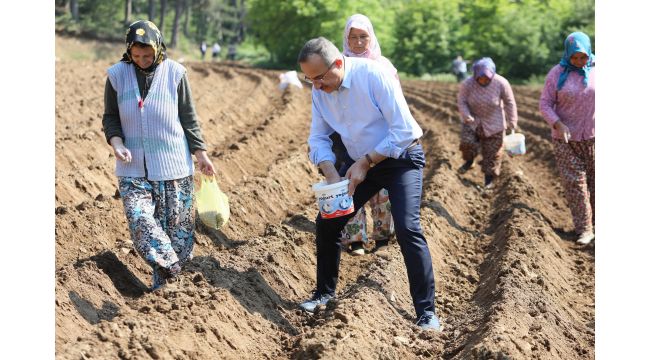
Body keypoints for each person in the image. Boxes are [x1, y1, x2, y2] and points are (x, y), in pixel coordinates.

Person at [298, 37, 441, 331]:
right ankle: (324, 294)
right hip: (360, 161)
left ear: (338, 64)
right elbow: (318, 137)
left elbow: (404, 130)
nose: (316, 86)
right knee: (329, 221)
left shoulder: (373, 75)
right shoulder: (320, 90)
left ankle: (426, 312)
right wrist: (331, 173)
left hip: (401, 157)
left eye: (320, 78)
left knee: (407, 227)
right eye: (309, 79)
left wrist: (365, 162)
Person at [102, 20, 216, 290]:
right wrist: (116, 143)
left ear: (158, 48)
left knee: (178, 236)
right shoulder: (117, 75)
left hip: (174, 167)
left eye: (148, 55)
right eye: (136, 55)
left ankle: (168, 294)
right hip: (132, 169)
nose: (142, 60)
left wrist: (201, 155)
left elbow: (188, 118)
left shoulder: (175, 73)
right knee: (141, 221)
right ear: (129, 51)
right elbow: (110, 117)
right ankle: (174, 272)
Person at [334, 13, 397, 256]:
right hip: (347, 137)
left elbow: (396, 104)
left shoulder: (384, 66)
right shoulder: (340, 65)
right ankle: (355, 239)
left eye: (363, 37)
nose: (358, 42)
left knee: (382, 188)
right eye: (353, 37)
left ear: (371, 38)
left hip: (380, 136)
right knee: (350, 184)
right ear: (346, 39)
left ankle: (383, 236)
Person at [539, 32, 595, 245]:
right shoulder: (557, 73)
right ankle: (585, 229)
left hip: (594, 137)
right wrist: (557, 123)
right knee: (576, 185)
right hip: (565, 140)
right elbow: (545, 103)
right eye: (575, 57)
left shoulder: (598, 70)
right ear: (568, 55)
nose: (580, 61)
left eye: (583, 57)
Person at [457, 57, 518, 189]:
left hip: (494, 122)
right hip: (472, 121)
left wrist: (512, 120)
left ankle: (488, 181)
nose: (483, 81)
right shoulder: (468, 84)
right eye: (480, 78)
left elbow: (509, 102)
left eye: (487, 78)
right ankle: (469, 161)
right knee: (467, 143)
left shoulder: (501, 83)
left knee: (492, 153)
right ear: (475, 75)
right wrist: (466, 114)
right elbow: (461, 101)